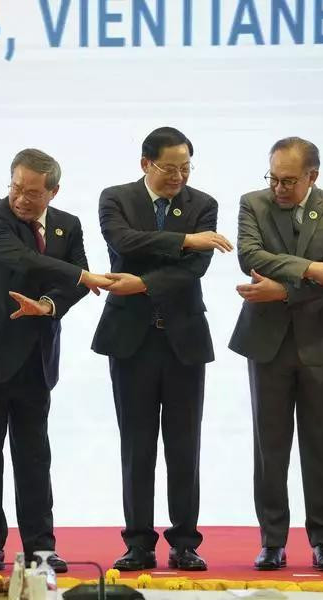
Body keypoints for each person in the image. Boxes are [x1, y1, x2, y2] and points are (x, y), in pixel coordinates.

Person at [0, 148, 112, 574]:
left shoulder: (67, 225)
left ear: (53, 191)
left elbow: (77, 281)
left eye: (33, 192)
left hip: (35, 357)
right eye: (16, 188)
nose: (21, 198)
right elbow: (22, 260)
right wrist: (78, 276)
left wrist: (47, 304)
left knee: (35, 456)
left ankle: (41, 547)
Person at [91, 127, 232, 572]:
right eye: (169, 168)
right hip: (130, 340)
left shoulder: (202, 203)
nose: (178, 176)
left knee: (184, 444)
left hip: (183, 340)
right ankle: (138, 542)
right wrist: (185, 240)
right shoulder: (116, 198)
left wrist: (145, 282)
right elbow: (123, 241)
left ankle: (185, 542)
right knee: (136, 445)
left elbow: (195, 270)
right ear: (145, 164)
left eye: (185, 168)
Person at [229, 137, 323, 572]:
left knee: (322, 445)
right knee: (271, 446)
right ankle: (272, 540)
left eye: (288, 180)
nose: (278, 187)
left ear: (312, 177)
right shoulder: (253, 203)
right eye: (273, 177)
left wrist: (282, 287)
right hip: (266, 343)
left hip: (321, 341)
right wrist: (308, 268)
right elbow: (249, 253)